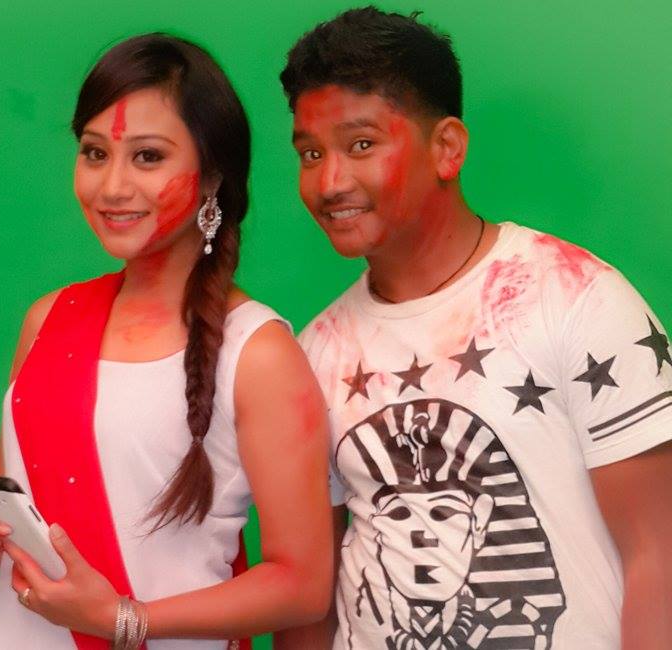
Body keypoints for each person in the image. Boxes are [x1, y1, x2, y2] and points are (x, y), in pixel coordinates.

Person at [275, 7, 672, 649]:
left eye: (361, 145)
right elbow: (309, 602)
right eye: (310, 153)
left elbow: (660, 555)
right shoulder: (312, 353)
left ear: (447, 148)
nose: (329, 181)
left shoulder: (575, 296)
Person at [0, 33, 333, 649]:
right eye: (94, 153)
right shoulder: (48, 320)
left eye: (147, 157)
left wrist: (123, 619)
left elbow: (302, 586)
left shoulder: (257, 353)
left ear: (212, 176)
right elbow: (21, 500)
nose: (112, 187)